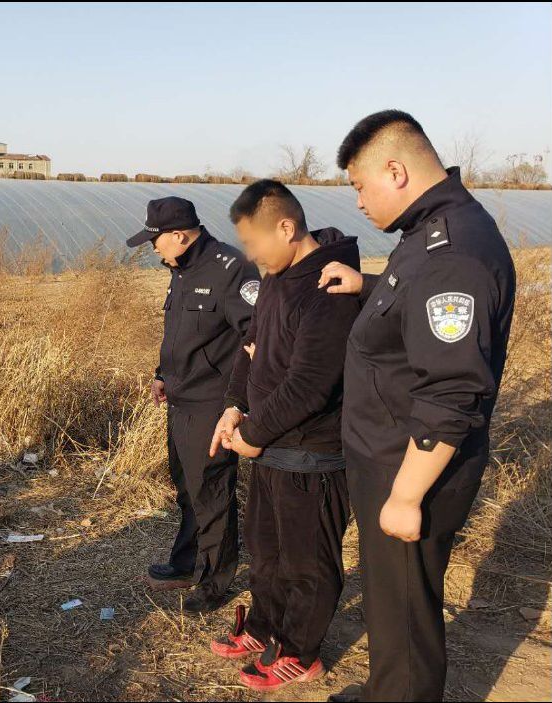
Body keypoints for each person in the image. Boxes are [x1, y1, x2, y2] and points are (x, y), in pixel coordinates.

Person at [319, 110, 516, 702]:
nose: (357, 201)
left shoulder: (449, 252)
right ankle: (387, 689)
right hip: (391, 450)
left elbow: (452, 390)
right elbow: (419, 304)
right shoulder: (429, 233)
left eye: (359, 184)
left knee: (405, 607)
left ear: (396, 171)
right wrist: (371, 285)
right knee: (389, 596)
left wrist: (406, 496)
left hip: (409, 463)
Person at [205, 180, 360, 692]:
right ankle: (265, 627)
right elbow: (251, 349)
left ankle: (301, 651)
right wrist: (234, 407)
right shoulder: (276, 277)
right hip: (270, 447)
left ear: (286, 228)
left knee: (306, 561)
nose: (249, 254)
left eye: (253, 242)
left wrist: (254, 432)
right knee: (265, 551)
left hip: (313, 453)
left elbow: (309, 384)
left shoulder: (328, 288)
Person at [126, 196, 260, 613]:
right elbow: (182, 332)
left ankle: (215, 579)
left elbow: (255, 340)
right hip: (181, 399)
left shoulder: (231, 269)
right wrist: (162, 373)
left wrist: (236, 404)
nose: (153, 249)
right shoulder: (181, 269)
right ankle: (187, 564)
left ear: (179, 236)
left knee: (212, 492)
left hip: (212, 404)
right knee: (187, 488)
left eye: (156, 241)